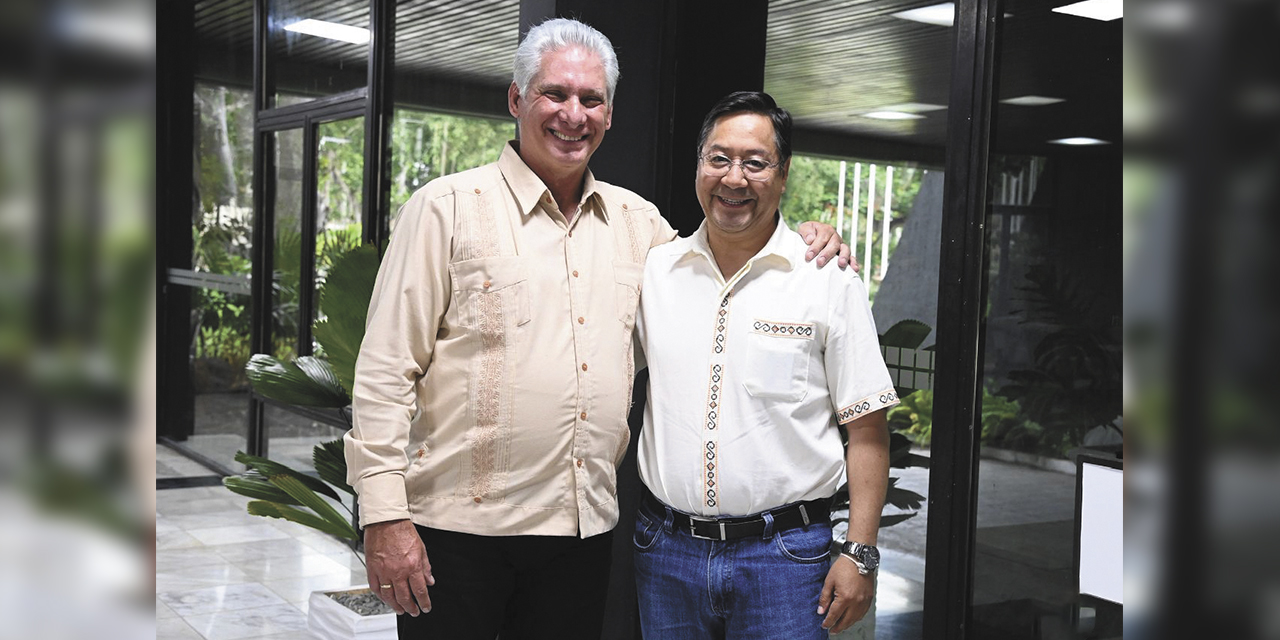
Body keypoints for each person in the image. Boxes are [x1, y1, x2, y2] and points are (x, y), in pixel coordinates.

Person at [344, 20, 849, 640]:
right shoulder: (445, 209)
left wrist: (805, 241)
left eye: (591, 99)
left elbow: (727, 263)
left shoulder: (642, 226)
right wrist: (384, 517)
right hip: (456, 535)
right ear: (516, 99)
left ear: (609, 114)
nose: (572, 115)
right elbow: (385, 371)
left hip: (577, 538)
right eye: (554, 94)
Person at [632, 91, 900, 639]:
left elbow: (867, 429)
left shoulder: (826, 278)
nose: (734, 178)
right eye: (719, 158)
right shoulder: (655, 272)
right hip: (665, 554)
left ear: (783, 175)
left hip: (786, 561)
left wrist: (861, 551)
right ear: (699, 165)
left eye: (755, 163)